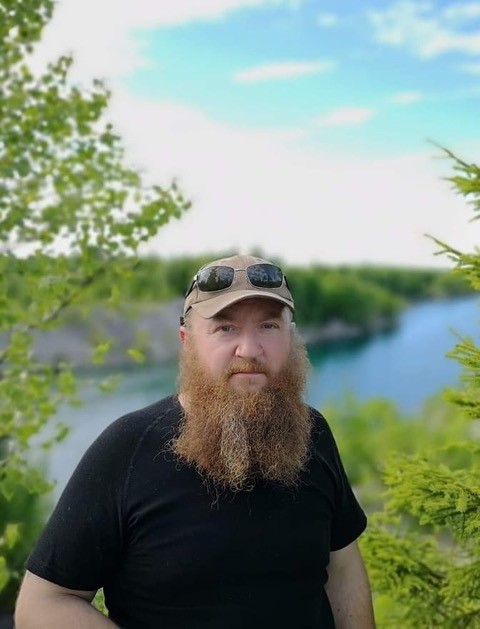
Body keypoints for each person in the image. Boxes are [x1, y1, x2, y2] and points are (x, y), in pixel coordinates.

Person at [15, 253, 375, 628]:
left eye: (268, 326)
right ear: (187, 341)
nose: (249, 349)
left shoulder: (312, 432)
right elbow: (42, 605)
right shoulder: (127, 448)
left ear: (291, 336)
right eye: (225, 328)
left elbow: (342, 565)